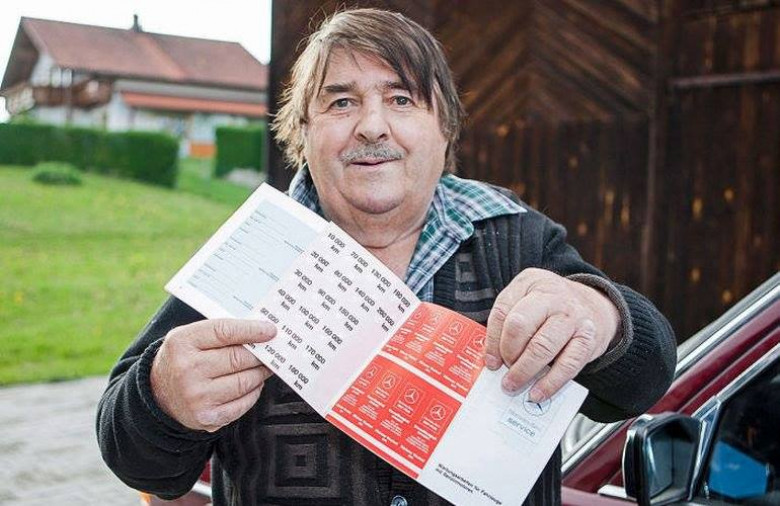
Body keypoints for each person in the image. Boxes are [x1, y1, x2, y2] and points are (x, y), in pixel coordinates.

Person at [97, 8, 676, 506]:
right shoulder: (256, 251)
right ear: (304, 130)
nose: (372, 126)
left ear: (444, 126)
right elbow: (136, 459)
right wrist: (162, 398)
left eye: (401, 99)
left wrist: (600, 317)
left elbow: (642, 381)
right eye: (341, 102)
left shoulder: (517, 237)